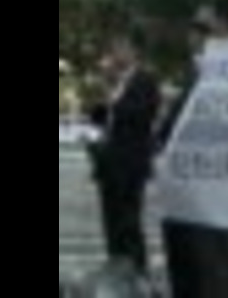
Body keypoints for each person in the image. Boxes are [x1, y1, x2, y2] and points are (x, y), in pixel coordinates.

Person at [159, 0, 228, 298]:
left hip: (212, 200)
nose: (194, 36)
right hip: (182, 200)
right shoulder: (196, 74)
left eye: (203, 28)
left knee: (216, 278)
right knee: (190, 278)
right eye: (192, 28)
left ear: (227, 30)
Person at [87, 31, 161, 275]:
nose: (115, 54)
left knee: (128, 223)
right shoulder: (115, 82)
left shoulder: (144, 80)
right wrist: (102, 95)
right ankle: (116, 271)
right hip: (109, 162)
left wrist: (112, 99)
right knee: (111, 223)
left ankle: (138, 274)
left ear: (133, 52)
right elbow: (101, 118)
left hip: (130, 162)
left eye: (120, 48)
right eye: (113, 48)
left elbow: (142, 114)